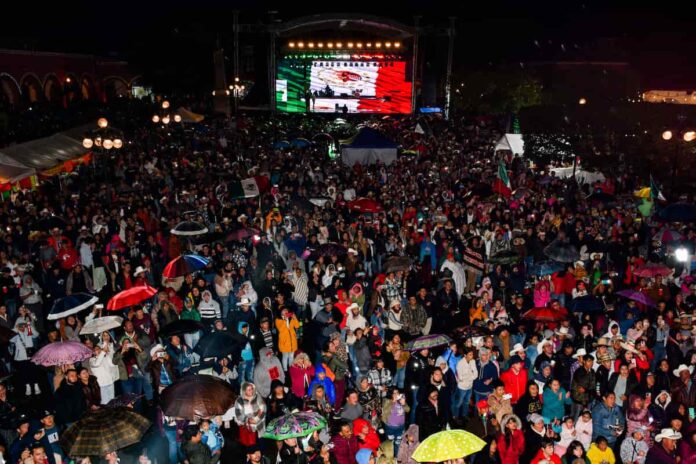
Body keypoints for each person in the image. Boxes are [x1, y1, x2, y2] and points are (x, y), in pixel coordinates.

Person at [233, 382, 266, 447]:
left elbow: (263, 409)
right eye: (249, 389)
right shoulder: (239, 401)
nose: (251, 391)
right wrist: (248, 419)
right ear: (244, 391)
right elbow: (238, 415)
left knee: (261, 444)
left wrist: (256, 419)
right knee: (251, 447)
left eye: (252, 389)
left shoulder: (258, 397)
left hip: (260, 427)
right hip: (248, 429)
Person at [381, 387, 409, 456]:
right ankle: (390, 458)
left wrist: (404, 404)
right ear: (391, 394)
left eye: (397, 393)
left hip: (401, 427)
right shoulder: (387, 400)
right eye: (394, 393)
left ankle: (397, 458)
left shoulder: (402, 398)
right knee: (390, 444)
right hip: (390, 427)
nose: (396, 395)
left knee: (398, 443)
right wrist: (393, 402)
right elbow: (385, 412)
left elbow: (408, 409)